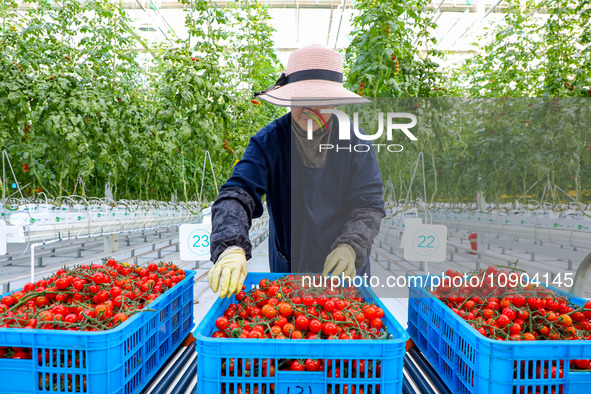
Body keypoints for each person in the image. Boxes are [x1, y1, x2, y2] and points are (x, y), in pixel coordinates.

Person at [207, 44, 385, 298]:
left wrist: (351, 247)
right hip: (289, 264)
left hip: (344, 267)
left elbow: (369, 204)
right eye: (302, 99)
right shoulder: (268, 142)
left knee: (347, 327)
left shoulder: (356, 141)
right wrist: (230, 244)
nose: (309, 108)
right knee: (294, 324)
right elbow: (238, 192)